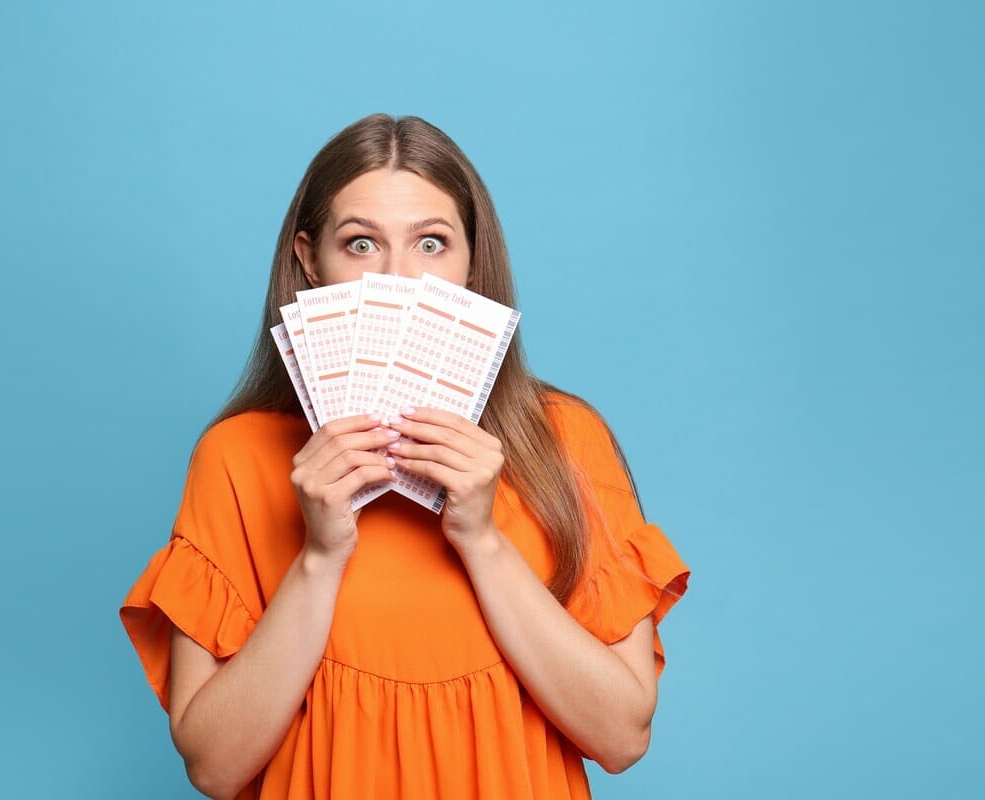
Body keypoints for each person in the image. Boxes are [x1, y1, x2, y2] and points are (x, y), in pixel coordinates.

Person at [120, 113, 691, 800]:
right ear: (310, 261)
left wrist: (480, 540)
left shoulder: (566, 441)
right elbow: (214, 766)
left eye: (432, 243)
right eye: (361, 244)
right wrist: (320, 556)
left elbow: (622, 736)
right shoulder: (236, 458)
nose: (398, 279)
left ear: (472, 263)